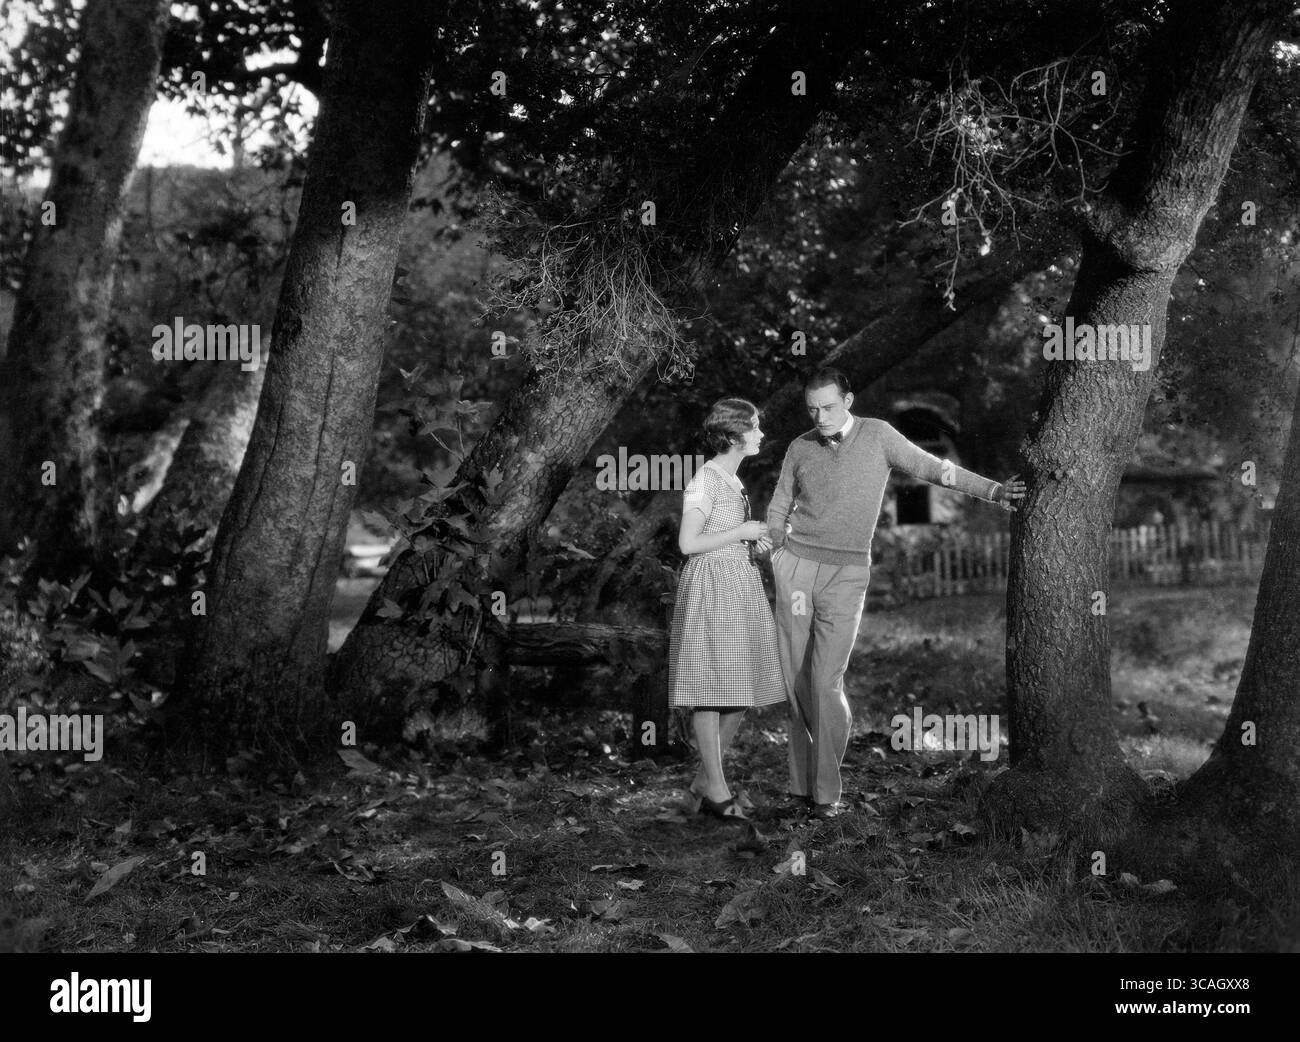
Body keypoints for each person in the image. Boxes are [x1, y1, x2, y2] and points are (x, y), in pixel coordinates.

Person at [767, 368, 1026, 819]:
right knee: (796, 681)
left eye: (828, 406)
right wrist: (773, 550)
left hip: (847, 574)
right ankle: (799, 784)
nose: (820, 416)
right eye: (812, 408)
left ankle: (826, 792)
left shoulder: (878, 435)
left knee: (826, 680)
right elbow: (779, 503)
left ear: (847, 400)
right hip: (796, 567)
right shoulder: (800, 446)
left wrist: (994, 491)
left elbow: (934, 468)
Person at [667, 398, 786, 822]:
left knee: (738, 688)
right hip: (712, 586)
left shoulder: (732, 481)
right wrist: (740, 531)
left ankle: (704, 780)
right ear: (734, 436)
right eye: (753, 428)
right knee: (711, 690)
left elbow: (720, 533)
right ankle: (716, 789)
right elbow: (687, 544)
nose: (760, 434)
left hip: (737, 582)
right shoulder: (705, 479)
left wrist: (749, 539)